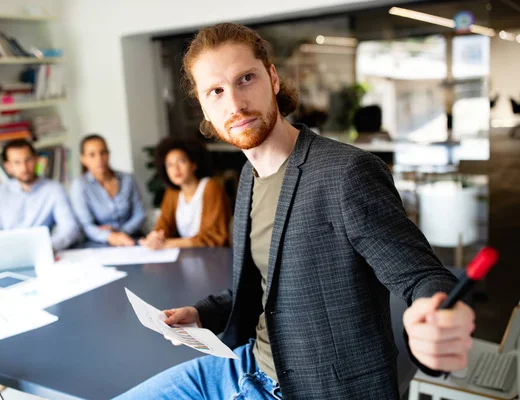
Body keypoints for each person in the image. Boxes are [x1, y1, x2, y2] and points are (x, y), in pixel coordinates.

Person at [118, 23, 474, 399]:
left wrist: (435, 319)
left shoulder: (345, 173)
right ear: (204, 107)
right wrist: (202, 313)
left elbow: (424, 277)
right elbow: (268, 288)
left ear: (272, 78)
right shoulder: (249, 176)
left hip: (306, 388)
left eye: (246, 79)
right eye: (216, 91)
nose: (235, 105)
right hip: (244, 365)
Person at [0, 139, 80, 251]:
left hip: (44, 250)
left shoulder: (54, 190)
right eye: (17, 162)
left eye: (28, 160)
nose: (24, 167)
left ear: (36, 159)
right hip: (9, 254)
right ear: (8, 167)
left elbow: (70, 229)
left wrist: (48, 247)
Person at [139, 137, 231, 249]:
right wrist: (155, 237)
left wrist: (169, 244)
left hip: (215, 256)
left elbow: (213, 238)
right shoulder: (172, 193)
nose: (176, 169)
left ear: (193, 164)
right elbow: (163, 226)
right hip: (188, 255)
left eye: (181, 161)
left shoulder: (211, 187)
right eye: (170, 165)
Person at [71, 134, 146, 246]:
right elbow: (86, 225)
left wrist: (121, 232)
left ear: (108, 154)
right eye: (92, 155)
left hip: (132, 238)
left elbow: (140, 214)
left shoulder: (127, 179)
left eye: (103, 153)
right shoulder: (80, 185)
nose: (99, 159)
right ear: (83, 159)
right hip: (100, 243)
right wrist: (109, 236)